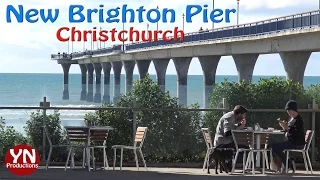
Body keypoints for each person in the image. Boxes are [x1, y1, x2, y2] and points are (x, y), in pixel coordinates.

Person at [271, 100, 305, 173]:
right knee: (275, 146)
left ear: (293, 109)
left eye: (289, 110)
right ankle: (288, 163)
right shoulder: (292, 119)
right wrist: (284, 127)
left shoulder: (299, 120)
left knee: (275, 147)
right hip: (292, 141)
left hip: (297, 143)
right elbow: (289, 132)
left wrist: (287, 128)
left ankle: (288, 164)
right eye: (287, 110)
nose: (288, 112)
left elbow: (296, 133)